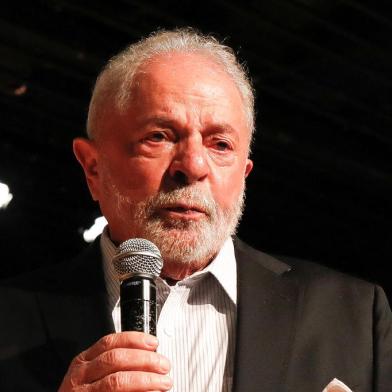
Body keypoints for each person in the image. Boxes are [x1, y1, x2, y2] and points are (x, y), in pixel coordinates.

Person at [0, 28, 391, 392]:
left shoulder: (355, 317)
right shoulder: (9, 318)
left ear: (244, 173)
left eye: (220, 144)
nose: (193, 166)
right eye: (159, 137)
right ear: (93, 168)